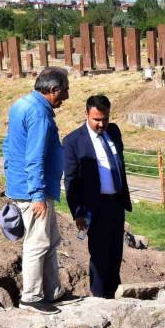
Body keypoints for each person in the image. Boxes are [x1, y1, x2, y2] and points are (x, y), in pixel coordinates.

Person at [3, 67, 70, 314]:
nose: (66, 96)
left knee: (50, 240)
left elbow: (7, 145)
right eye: (64, 91)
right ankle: (31, 296)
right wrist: (37, 194)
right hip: (34, 192)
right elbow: (35, 157)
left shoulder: (21, 105)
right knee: (37, 243)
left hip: (26, 186)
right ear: (52, 90)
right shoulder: (40, 114)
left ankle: (53, 291)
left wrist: (11, 178)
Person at [63, 95, 132, 299]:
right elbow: (71, 180)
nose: (101, 124)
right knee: (99, 255)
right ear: (86, 114)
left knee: (116, 253)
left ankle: (114, 296)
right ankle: (99, 297)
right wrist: (77, 212)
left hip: (116, 203)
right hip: (94, 207)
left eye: (105, 118)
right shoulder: (73, 141)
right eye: (96, 119)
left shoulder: (114, 131)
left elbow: (119, 163)